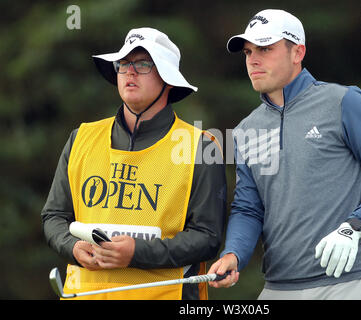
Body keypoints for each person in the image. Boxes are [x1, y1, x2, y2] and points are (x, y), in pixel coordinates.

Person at [208, 9, 361, 299]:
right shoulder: (245, 130)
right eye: (248, 51)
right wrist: (234, 254)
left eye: (265, 48)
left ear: (297, 52)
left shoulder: (343, 101)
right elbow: (249, 208)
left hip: (343, 284)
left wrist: (354, 226)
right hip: (278, 286)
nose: (253, 59)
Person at [42, 27, 226, 300]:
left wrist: (136, 253)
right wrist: (72, 247)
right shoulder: (81, 137)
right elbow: (53, 217)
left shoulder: (202, 146)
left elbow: (208, 237)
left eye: (142, 64)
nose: (129, 71)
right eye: (123, 64)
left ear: (169, 79)